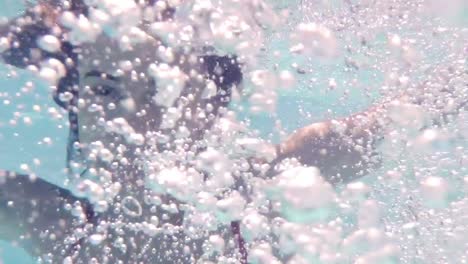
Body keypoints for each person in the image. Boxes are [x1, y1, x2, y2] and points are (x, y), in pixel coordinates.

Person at [0, 0, 466, 263]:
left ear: (211, 103)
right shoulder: (59, 223)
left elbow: (425, 108)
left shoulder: (272, 189)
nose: (132, 123)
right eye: (105, 92)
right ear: (73, 106)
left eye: (162, 92)